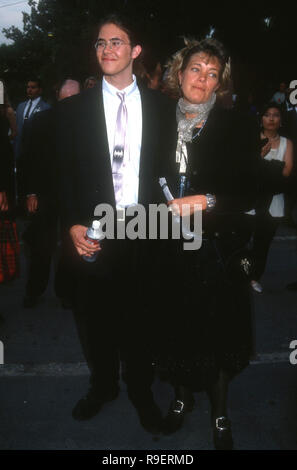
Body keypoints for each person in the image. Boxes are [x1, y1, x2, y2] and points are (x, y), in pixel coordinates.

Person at [56, 14, 174, 432]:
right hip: (95, 232)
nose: (107, 49)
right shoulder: (73, 110)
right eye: (101, 43)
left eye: (117, 42)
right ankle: (103, 385)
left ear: (135, 51)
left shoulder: (163, 107)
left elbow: (170, 174)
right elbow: (61, 174)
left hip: (144, 229)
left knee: (141, 318)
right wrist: (71, 223)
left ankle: (141, 393)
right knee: (94, 319)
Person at [155, 37, 260, 449]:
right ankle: (181, 399)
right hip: (166, 248)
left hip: (215, 250)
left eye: (212, 73)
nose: (202, 78)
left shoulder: (237, 126)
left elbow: (249, 193)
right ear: (178, 75)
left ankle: (219, 412)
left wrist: (209, 200)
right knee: (175, 329)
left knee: (216, 333)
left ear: (220, 84)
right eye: (195, 69)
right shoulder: (156, 123)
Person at [20, 79, 81, 308]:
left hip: (72, 196)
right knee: (40, 246)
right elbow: (27, 159)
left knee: (70, 245)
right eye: (68, 98)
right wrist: (30, 193)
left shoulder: (85, 123)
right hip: (44, 194)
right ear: (59, 96)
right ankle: (34, 291)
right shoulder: (41, 120)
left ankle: (66, 292)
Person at [248, 103, 293, 293]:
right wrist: (262, 159)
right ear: (261, 119)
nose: (271, 119)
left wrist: (263, 167)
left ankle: (255, 276)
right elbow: (247, 169)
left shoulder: (287, 143)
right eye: (267, 115)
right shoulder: (252, 140)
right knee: (245, 240)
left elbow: (286, 171)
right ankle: (241, 274)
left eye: (275, 115)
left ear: (281, 121)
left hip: (274, 202)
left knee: (263, 243)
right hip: (251, 200)